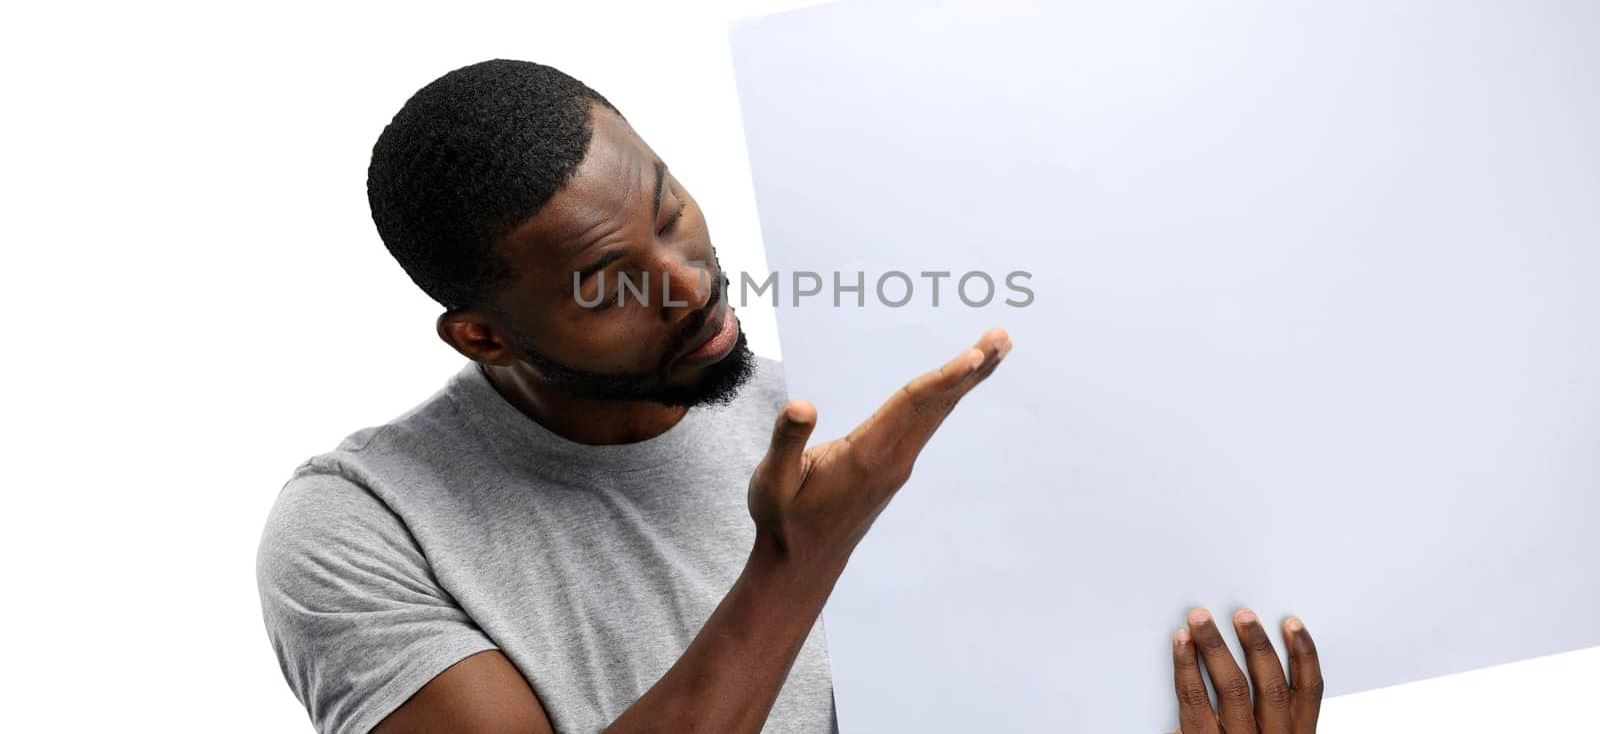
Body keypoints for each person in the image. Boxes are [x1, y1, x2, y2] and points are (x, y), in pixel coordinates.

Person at [255, 59, 1323, 733]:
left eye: (671, 213)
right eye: (604, 279)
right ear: (482, 335)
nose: (686, 283)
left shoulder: (855, 429)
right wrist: (794, 562)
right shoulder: (366, 525)